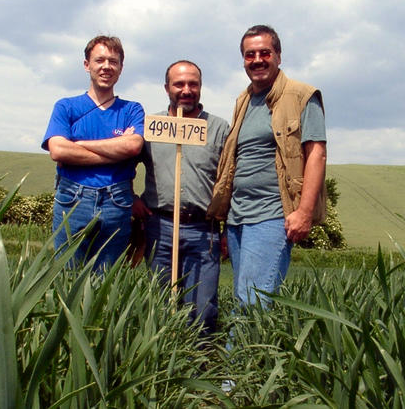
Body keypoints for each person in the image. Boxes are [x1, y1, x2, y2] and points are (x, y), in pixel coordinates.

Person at [208, 25, 327, 306]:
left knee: (254, 302)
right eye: (250, 55)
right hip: (238, 218)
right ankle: (248, 351)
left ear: (278, 56)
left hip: (272, 215)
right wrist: (228, 222)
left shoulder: (303, 96)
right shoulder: (244, 100)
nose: (258, 60)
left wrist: (304, 213)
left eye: (265, 52)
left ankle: (238, 352)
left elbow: (316, 155)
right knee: (244, 299)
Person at [133, 60, 229, 336]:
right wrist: (130, 197)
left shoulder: (219, 129)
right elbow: (123, 164)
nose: (186, 90)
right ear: (167, 88)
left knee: (203, 309)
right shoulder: (152, 126)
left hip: (203, 231)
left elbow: (230, 179)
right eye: (179, 84)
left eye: (193, 84)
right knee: (160, 305)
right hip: (159, 228)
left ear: (200, 87)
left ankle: (198, 369)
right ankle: (161, 368)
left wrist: (227, 230)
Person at [42, 35, 145, 272]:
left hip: (116, 201)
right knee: (67, 277)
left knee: (108, 282)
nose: (106, 66)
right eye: (100, 60)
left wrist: (76, 144)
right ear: (87, 64)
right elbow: (57, 150)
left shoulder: (132, 109)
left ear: (121, 68)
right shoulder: (66, 106)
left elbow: (132, 147)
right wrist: (115, 148)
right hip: (72, 199)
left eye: (113, 61)